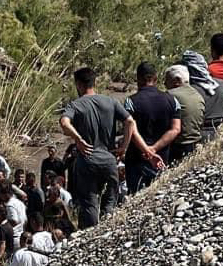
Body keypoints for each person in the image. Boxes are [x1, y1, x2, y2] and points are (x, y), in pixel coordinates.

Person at [59, 66, 135, 229]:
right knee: (110, 203)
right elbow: (130, 122)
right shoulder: (111, 102)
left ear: (79, 85)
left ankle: (91, 237)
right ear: (95, 82)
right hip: (109, 159)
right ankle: (109, 233)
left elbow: (64, 123)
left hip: (87, 160)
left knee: (89, 205)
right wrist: (123, 147)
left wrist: (78, 138)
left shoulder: (76, 105)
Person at [124, 61, 178, 193]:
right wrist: (154, 149)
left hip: (137, 159)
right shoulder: (172, 100)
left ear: (138, 79)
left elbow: (132, 129)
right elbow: (176, 129)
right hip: (162, 158)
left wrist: (147, 150)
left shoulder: (130, 101)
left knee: (136, 195)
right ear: (155, 78)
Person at [163, 65, 205, 165]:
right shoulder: (197, 94)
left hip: (177, 147)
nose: (164, 83)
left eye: (167, 80)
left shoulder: (170, 95)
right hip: (196, 143)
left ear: (177, 80)